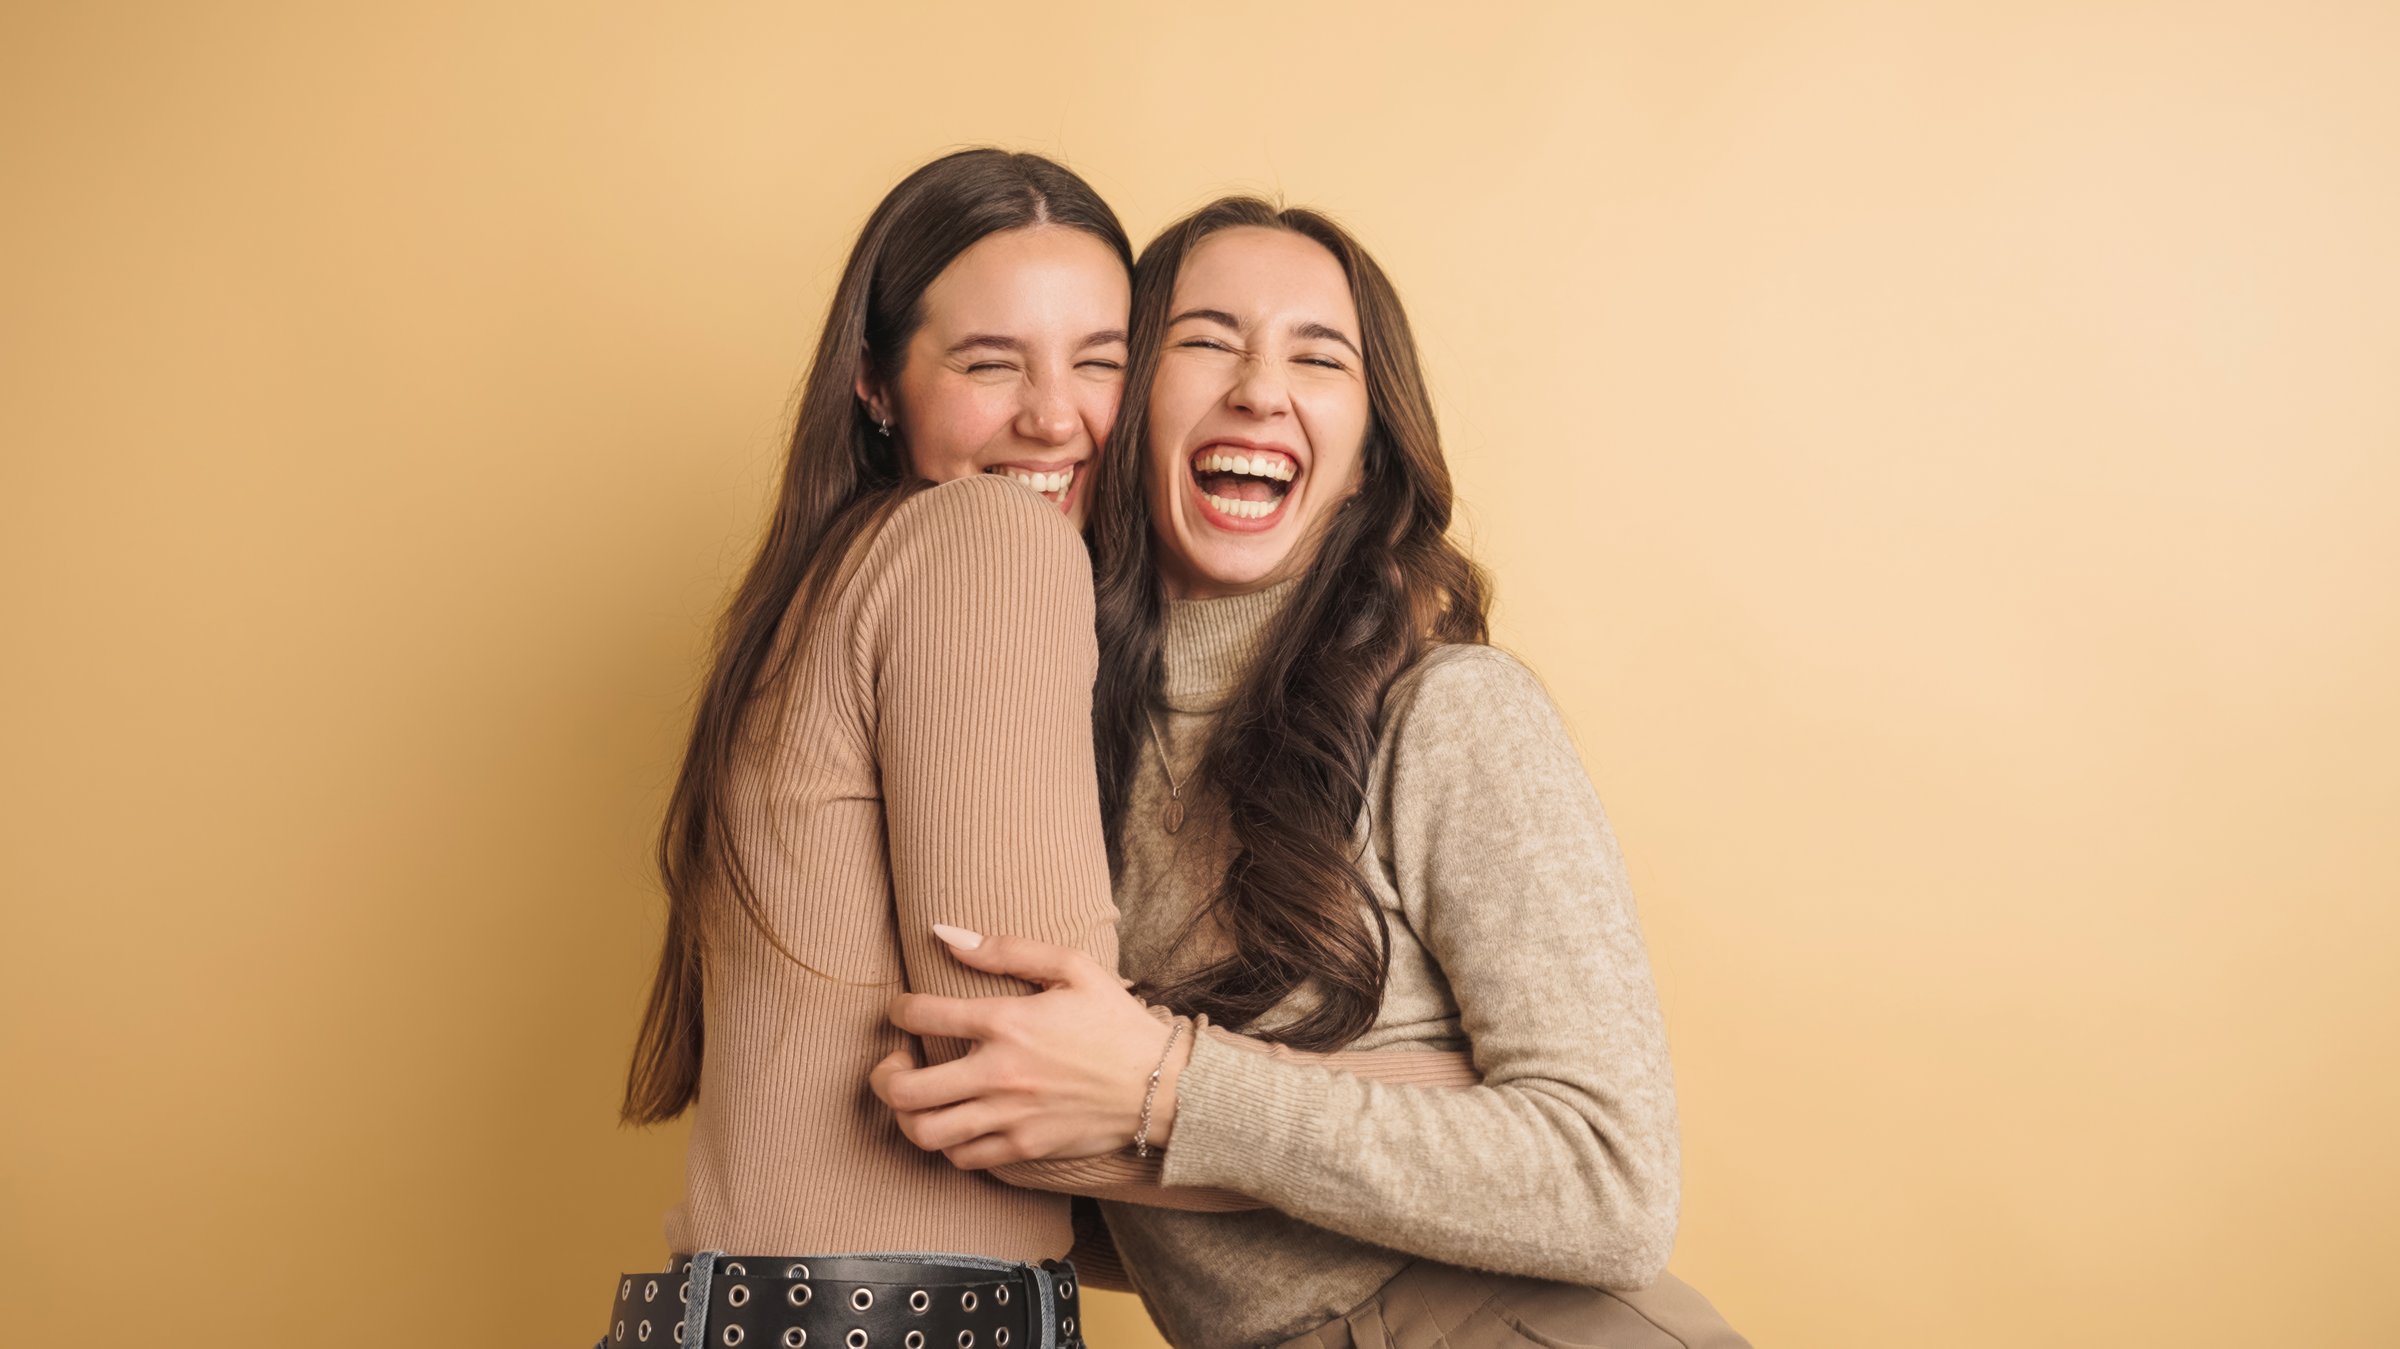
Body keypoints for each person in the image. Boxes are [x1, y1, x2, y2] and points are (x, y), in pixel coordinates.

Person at [598, 152, 1475, 1349]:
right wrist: (1464, 1095)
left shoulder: (831, 580)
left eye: (1100, 361)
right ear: (876, 383)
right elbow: (1032, 1088)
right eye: (988, 362)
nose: (1053, 417)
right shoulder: (990, 546)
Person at [870, 198, 1752, 1348]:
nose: (1258, 388)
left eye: (1319, 356)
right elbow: (1143, 1193)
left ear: (1366, 455)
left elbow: (1612, 1181)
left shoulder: (1450, 714)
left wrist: (1173, 1084)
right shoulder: (1053, 750)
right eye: (1206, 339)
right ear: (1127, 408)